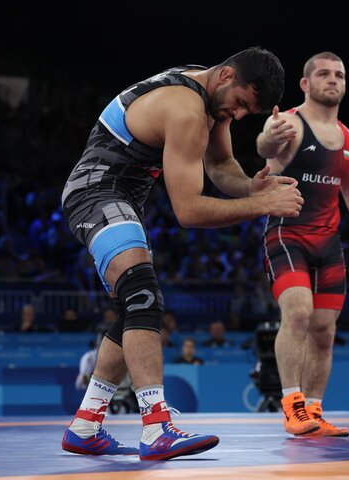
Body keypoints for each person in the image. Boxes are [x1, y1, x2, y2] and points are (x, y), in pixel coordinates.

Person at [60, 47, 302, 460]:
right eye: (241, 104)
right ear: (226, 75)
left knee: (135, 307)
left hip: (119, 196)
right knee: (142, 295)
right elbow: (188, 211)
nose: (237, 115)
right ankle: (156, 427)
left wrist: (251, 187)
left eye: (247, 113)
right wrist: (262, 205)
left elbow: (221, 165)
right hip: (95, 192)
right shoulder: (186, 109)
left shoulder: (209, 93)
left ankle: (85, 424)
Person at [256, 51, 349, 437]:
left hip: (328, 242)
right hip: (287, 235)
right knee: (299, 312)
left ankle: (314, 412)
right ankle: (292, 406)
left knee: (324, 330)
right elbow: (265, 147)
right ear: (306, 83)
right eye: (323, 74)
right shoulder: (289, 123)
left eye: (339, 74)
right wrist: (268, 138)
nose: (332, 79)